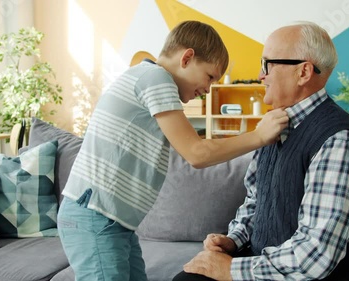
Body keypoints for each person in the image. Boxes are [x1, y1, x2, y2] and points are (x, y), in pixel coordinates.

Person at [56, 20, 289, 281]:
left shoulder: (146, 78)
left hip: (113, 222)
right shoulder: (156, 78)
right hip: (96, 217)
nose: (208, 89)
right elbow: (197, 153)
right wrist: (259, 136)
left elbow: (194, 145)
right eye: (210, 76)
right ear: (187, 57)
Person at [175, 21, 349, 281]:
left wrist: (229, 269)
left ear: (304, 72)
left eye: (267, 64)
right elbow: (256, 201)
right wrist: (234, 241)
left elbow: (314, 256)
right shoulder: (274, 126)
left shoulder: (338, 139)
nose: (261, 75)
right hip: (272, 266)